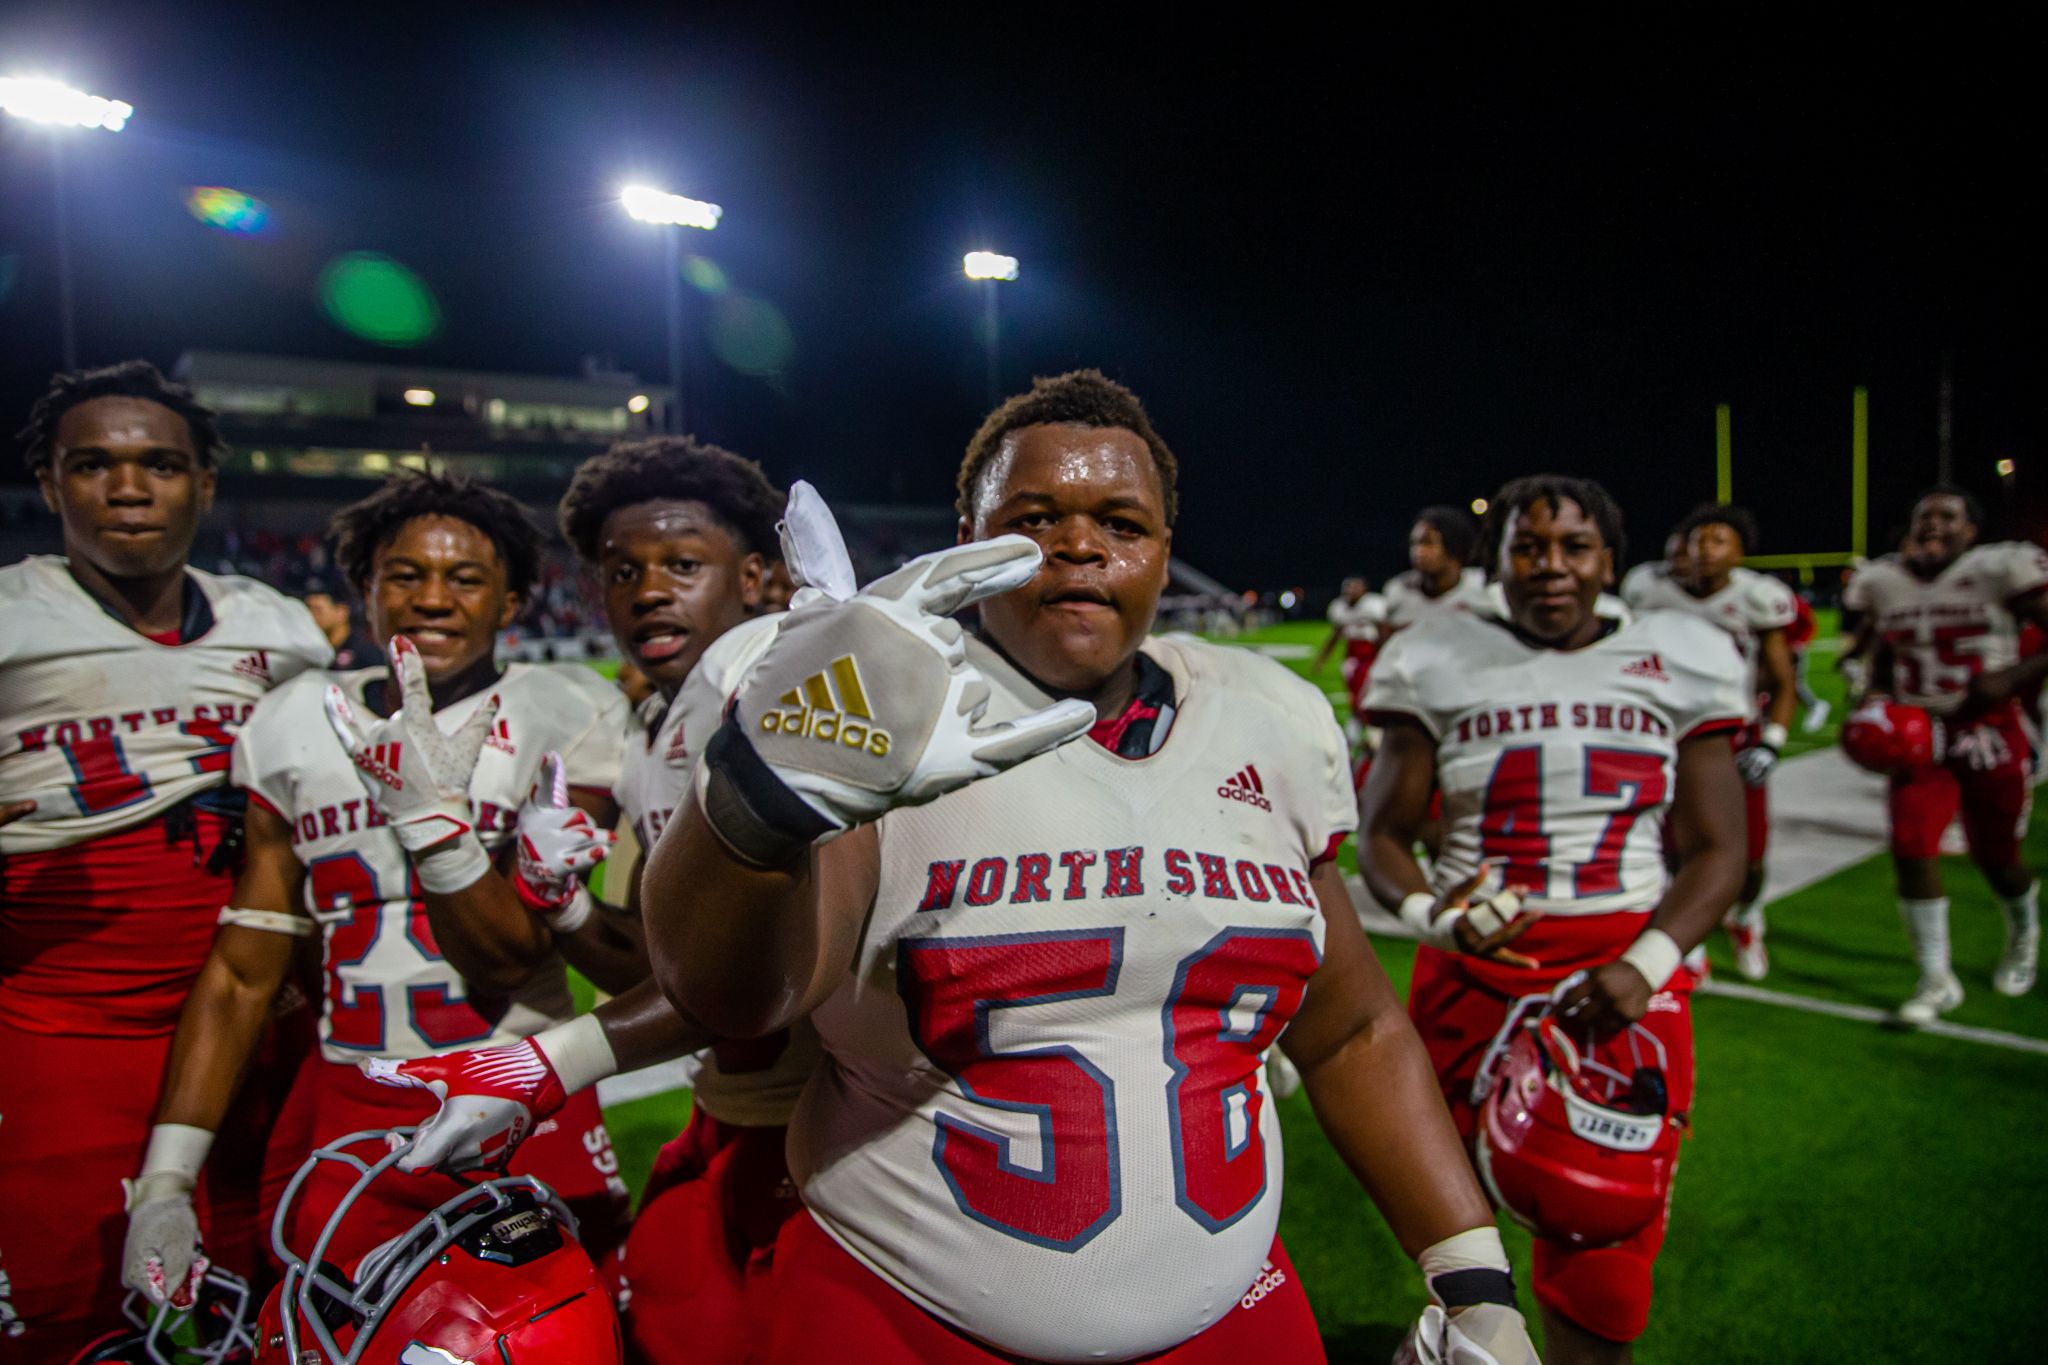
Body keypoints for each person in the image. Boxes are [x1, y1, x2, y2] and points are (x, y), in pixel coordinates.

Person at [635, 371, 1538, 1363]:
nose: (1077, 546)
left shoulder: (1266, 718)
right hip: (902, 1304)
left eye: (1121, 522)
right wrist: (755, 804)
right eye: (1032, 518)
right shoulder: (882, 707)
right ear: (967, 536)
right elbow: (742, 1002)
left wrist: (1472, 1281)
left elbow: (1351, 1028)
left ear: (1161, 551)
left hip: (1227, 1309)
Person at [119, 470, 634, 1309]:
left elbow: (511, 955)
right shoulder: (291, 720)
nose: (432, 598)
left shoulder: (563, 709)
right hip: (354, 1093)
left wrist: (435, 825)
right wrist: (167, 1178)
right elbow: (246, 968)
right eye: (405, 574)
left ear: (511, 605)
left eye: (466, 577)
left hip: (521, 1090)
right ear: (366, 590)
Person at [378, 437, 821, 1361]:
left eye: (682, 565)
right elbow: (670, 964)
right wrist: (565, 903)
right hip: (729, 1108)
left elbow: (765, 973)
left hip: (820, 1123)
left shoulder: (759, 681)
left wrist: (550, 1063)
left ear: (754, 578)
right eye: (623, 570)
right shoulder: (653, 727)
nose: (648, 589)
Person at [1361, 474, 1748, 1365]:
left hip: (1620, 972)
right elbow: (1382, 834)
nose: (1551, 567)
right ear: (1496, 565)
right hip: (1471, 968)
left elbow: (1719, 849)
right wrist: (1435, 917)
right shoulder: (1434, 653)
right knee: (1458, 1249)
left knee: (1602, 1239)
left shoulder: (1682, 652)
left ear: (1610, 559)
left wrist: (1647, 964)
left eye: (1575, 546)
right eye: (1527, 549)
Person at [0, 362, 332, 1361]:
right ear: (52, 486)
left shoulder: (277, 628)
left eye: (160, 464)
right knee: (70, 1317)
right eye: (93, 464)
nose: (130, 487)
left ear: (205, 484)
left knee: (276, 1292)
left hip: (260, 1026)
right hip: (67, 1032)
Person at [1841, 486, 2048, 1022]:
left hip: (1988, 728)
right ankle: (1936, 977)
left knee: (1997, 857)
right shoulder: (1886, 581)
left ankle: (2024, 932)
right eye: (1923, 515)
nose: (1933, 524)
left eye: (1947, 516)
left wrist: (2013, 677)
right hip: (1920, 730)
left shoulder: (2001, 569)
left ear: (1971, 531)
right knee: (1911, 849)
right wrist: (1875, 701)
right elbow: (1886, 652)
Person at [1620, 503, 1796, 981]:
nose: (1704, 550)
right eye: (1698, 540)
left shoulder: (1757, 597)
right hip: (1664, 728)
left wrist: (1772, 742)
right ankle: (1686, 936)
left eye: (1718, 541)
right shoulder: (1649, 588)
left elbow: (1782, 679)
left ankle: (1746, 915)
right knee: (1671, 842)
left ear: (1741, 552)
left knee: (1749, 854)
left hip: (1732, 733)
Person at [1381, 506, 1489, 638]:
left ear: (1455, 544)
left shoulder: (1483, 586)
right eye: (1414, 543)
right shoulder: (1398, 590)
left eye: (1427, 543)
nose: (1418, 552)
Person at [1313, 575, 1385, 742]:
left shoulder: (1373, 605)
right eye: (1348, 587)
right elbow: (1335, 635)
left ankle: (1367, 726)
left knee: (1366, 692)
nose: (1350, 591)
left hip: (1370, 654)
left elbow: (1383, 632)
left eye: (1355, 587)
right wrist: (1322, 658)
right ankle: (1360, 725)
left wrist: (1384, 655)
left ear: (1364, 590)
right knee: (1354, 693)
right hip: (1352, 655)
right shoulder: (1339, 608)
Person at [300, 575, 383, 670]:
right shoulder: (309, 651)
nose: (311, 616)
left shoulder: (365, 652)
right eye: (308, 610)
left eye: (318, 610)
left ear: (341, 612)